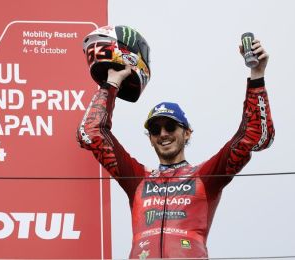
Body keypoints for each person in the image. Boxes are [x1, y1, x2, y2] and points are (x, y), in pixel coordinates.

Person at [77, 39, 275, 259]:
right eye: (155, 129)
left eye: (170, 126)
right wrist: (112, 82)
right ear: (150, 138)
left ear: (187, 133)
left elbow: (255, 136)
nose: (163, 134)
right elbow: (90, 134)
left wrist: (257, 74)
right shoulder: (138, 179)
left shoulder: (206, 176)